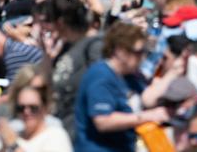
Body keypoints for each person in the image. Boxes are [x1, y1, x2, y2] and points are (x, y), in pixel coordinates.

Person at [73, 22, 171, 152]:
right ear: (120, 51)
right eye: (138, 52)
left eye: (144, 52)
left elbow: (148, 100)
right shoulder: (100, 76)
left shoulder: (131, 76)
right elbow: (103, 121)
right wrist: (147, 116)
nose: (142, 58)